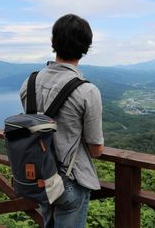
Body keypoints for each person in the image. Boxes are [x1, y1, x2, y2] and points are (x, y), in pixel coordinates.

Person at [19, 14, 104, 228]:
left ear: (54, 43)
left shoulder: (29, 83)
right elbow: (96, 150)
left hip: (40, 176)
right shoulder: (87, 91)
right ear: (85, 48)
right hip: (68, 180)